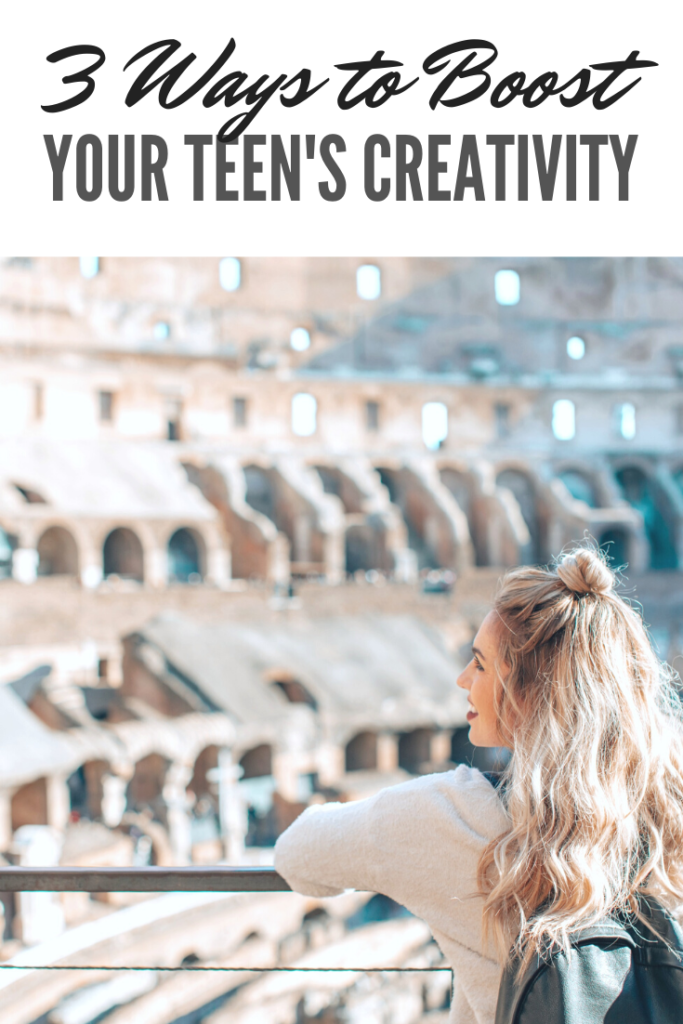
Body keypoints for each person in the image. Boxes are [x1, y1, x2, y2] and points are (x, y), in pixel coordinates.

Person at [274, 547, 683, 1024]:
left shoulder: (450, 816)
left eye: (481, 664)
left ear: (529, 691)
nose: (462, 678)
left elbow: (296, 854)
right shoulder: (663, 807)